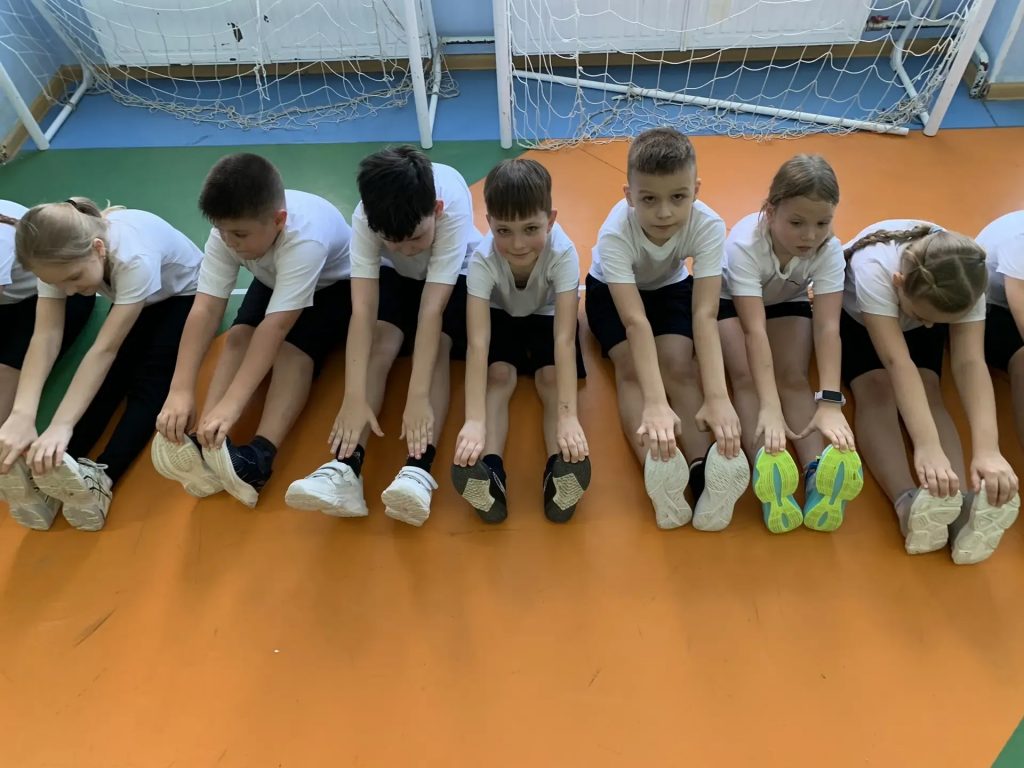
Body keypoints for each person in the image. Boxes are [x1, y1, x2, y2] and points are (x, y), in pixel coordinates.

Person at [286, 146, 478, 526]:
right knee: (380, 339)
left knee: (437, 347)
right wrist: (354, 396)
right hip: (396, 275)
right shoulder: (367, 218)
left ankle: (418, 470)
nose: (405, 248)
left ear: (437, 210)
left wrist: (417, 396)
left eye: (415, 238)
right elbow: (362, 310)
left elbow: (431, 310)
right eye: (392, 239)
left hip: (455, 274)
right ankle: (345, 468)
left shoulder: (452, 206)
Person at [153, 153, 352, 507]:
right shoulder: (232, 233)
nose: (229, 241)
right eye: (222, 231)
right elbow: (205, 308)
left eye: (239, 234)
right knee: (238, 337)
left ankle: (260, 457)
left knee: (291, 353)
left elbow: (275, 328)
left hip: (335, 286)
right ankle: (207, 440)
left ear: (279, 221)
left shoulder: (305, 241)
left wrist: (232, 406)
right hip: (273, 274)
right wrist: (180, 390)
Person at [0, 198, 202, 531]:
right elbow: (45, 336)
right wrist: (22, 414)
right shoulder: (53, 262)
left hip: (184, 295)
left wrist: (60, 424)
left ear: (98, 249)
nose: (69, 291)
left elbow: (104, 350)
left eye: (74, 278)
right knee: (107, 383)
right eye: (58, 284)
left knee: (150, 378)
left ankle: (103, 476)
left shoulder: (133, 258)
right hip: (131, 295)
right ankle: (56, 466)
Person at [584, 127, 749, 531]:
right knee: (631, 370)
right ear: (629, 196)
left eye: (678, 197)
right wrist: (657, 404)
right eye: (649, 199)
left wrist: (718, 397)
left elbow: (705, 313)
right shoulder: (615, 234)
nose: (664, 213)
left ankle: (703, 471)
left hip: (670, 286)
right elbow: (635, 321)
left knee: (678, 365)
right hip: (611, 292)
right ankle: (660, 470)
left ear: (696, 190)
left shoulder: (708, 225)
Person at [841, 220, 1019, 564]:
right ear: (899, 282)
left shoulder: (967, 276)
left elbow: (970, 363)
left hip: (925, 302)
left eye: (937, 323)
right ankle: (907, 502)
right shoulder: (874, 268)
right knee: (876, 388)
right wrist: (926, 447)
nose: (927, 327)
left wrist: (988, 450)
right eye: (922, 317)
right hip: (860, 318)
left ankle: (958, 503)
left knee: (928, 387)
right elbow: (897, 362)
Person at [452, 158, 590, 524]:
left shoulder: (563, 254)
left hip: (548, 315)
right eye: (504, 231)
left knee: (550, 379)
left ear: (551, 220)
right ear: (489, 224)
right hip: (501, 313)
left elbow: (564, 339)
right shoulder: (482, 261)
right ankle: (490, 471)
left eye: (531, 229)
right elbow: (477, 343)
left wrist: (569, 418)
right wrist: (474, 421)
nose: (517, 244)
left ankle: (560, 470)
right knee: (498, 377)